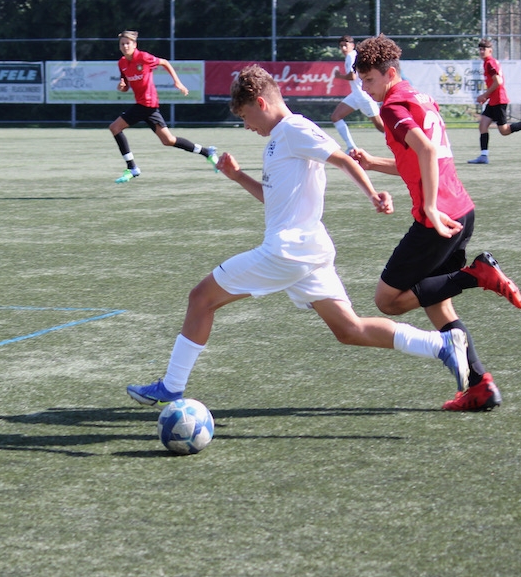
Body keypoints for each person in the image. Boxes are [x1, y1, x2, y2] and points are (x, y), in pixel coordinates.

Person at [126, 64, 473, 409]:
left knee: (201, 298)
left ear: (261, 103)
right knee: (349, 330)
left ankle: (171, 386)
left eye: (246, 117)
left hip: (288, 251)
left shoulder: (295, 128)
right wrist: (238, 176)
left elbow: (343, 160)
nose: (247, 126)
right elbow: (274, 199)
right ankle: (442, 345)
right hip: (308, 251)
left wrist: (372, 195)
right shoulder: (279, 139)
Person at [350, 34, 521, 412]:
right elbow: (420, 159)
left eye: (369, 80)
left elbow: (427, 151)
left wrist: (429, 207)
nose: (365, 89)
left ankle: (476, 275)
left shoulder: (392, 107)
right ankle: (480, 386)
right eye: (361, 81)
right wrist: (374, 163)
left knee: (388, 301)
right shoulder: (419, 97)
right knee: (437, 306)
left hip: (439, 218)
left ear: (389, 73)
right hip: (461, 210)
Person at [110, 30, 218, 183]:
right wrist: (121, 87)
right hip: (144, 106)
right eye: (122, 44)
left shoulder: (144, 57)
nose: (125, 46)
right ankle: (207, 152)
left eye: (128, 43)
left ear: (135, 45)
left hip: (147, 104)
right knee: (168, 140)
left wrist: (177, 82)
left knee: (115, 127)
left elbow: (165, 62)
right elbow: (125, 86)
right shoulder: (122, 63)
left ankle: (132, 167)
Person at [467, 39, 521, 165]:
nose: (482, 51)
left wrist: (484, 95)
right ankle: (483, 156)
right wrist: (487, 97)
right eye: (480, 49)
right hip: (493, 100)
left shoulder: (490, 63)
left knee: (504, 131)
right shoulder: (488, 62)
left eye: (484, 49)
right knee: (483, 125)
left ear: (490, 51)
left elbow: (498, 82)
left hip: (499, 100)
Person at [331, 34, 385, 152]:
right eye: (341, 46)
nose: (343, 48)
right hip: (356, 95)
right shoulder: (350, 56)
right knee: (336, 117)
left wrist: (339, 76)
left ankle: (401, 143)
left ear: (352, 45)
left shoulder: (352, 56)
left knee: (380, 126)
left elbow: (352, 76)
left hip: (363, 95)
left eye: (345, 45)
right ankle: (351, 147)